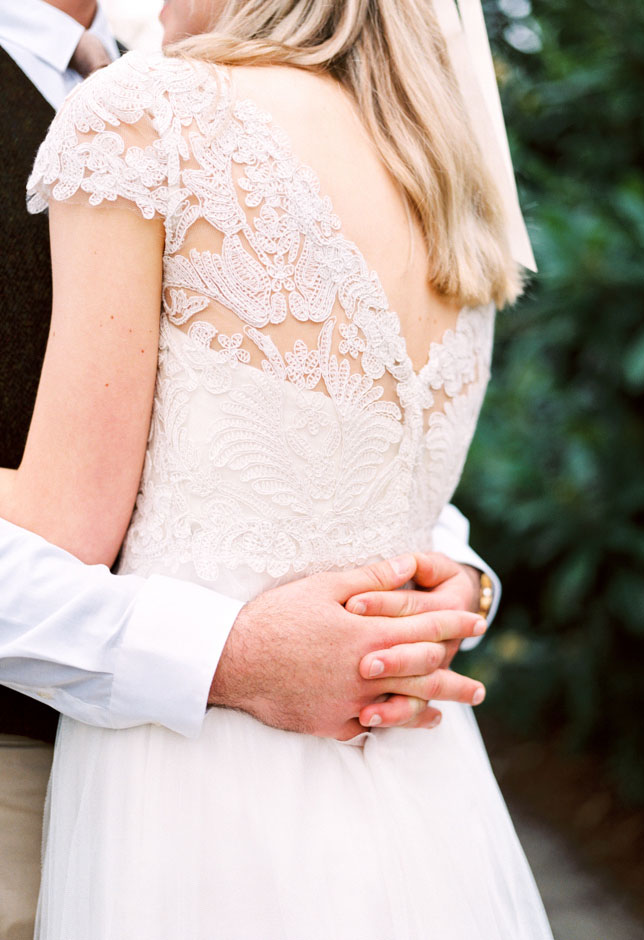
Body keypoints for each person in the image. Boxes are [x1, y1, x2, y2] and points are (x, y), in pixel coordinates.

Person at [2, 0, 553, 936]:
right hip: (423, 795)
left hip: (188, 799)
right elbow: (368, 472)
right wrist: (451, 581)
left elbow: (56, 536)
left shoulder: (148, 114)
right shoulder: (442, 168)